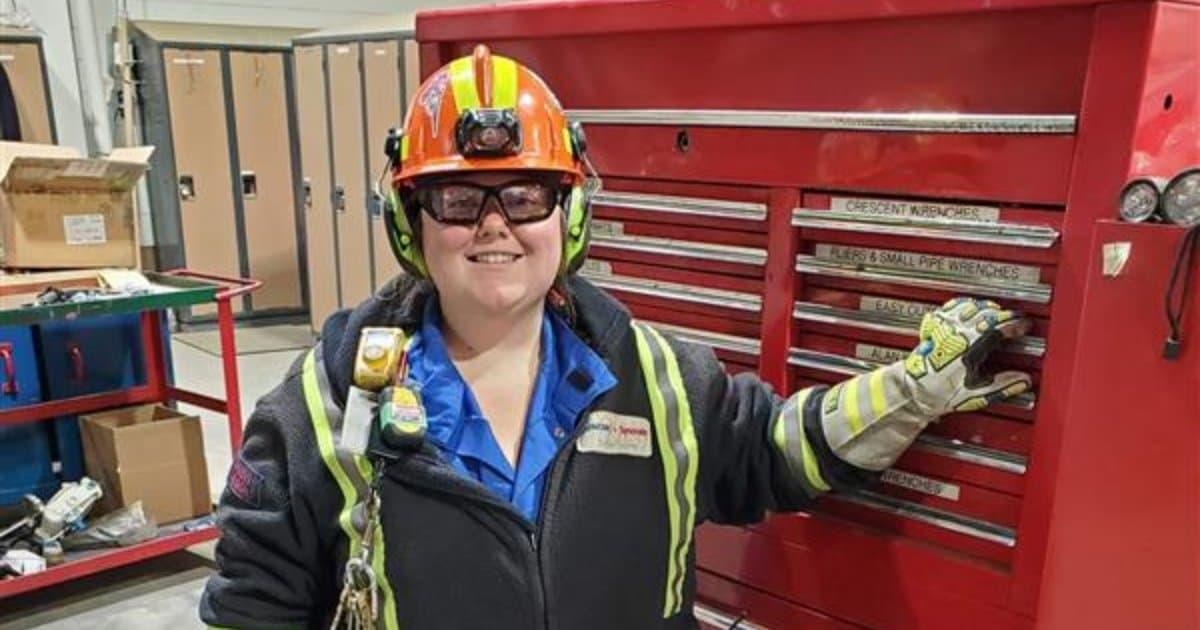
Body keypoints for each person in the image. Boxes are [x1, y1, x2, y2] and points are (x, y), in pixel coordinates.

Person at [199, 45, 1031, 630]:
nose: (494, 227)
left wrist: (908, 392)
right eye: (457, 200)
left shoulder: (661, 381)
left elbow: (775, 449)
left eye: (526, 196)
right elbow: (252, 601)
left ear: (573, 215)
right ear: (410, 225)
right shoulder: (321, 405)